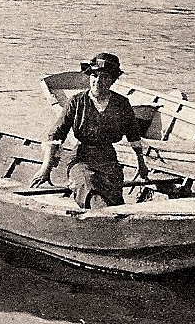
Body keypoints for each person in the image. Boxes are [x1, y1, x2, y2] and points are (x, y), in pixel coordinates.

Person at [30, 53, 150, 209]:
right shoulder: (77, 102)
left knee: (114, 200)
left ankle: (109, 217)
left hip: (108, 159)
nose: (98, 81)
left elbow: (134, 136)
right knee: (90, 191)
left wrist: (141, 165)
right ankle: (103, 218)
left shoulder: (121, 104)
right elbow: (55, 136)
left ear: (112, 81)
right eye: (94, 75)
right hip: (81, 158)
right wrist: (45, 169)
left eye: (104, 77)